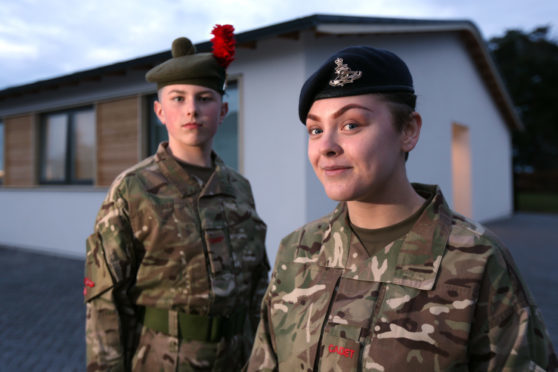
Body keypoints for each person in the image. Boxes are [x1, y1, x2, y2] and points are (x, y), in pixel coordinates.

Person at [247, 46, 557, 371]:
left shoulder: (476, 260)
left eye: (351, 125)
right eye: (316, 130)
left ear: (408, 130)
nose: (326, 146)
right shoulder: (297, 251)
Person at [84, 25, 269, 371]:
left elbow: (258, 286)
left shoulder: (240, 188)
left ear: (223, 111)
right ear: (159, 112)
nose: (191, 110)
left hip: (239, 358)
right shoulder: (132, 190)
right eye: (178, 98)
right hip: (163, 360)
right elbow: (105, 301)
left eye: (204, 98)